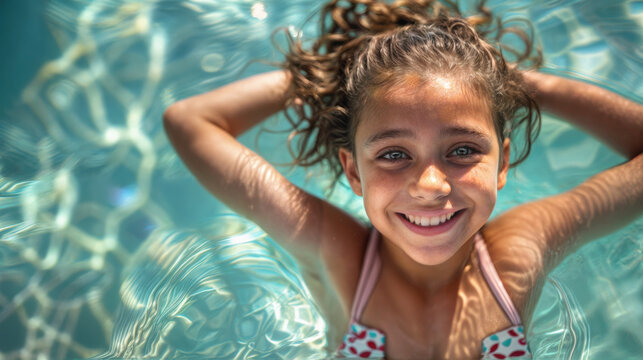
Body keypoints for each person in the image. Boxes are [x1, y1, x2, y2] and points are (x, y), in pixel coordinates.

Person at [162, 0, 643, 358]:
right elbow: (189, 121)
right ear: (353, 170)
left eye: (462, 150)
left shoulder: (518, 252)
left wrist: (508, 81)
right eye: (394, 154)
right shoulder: (341, 257)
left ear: (502, 165)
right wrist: (327, 74)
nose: (431, 185)